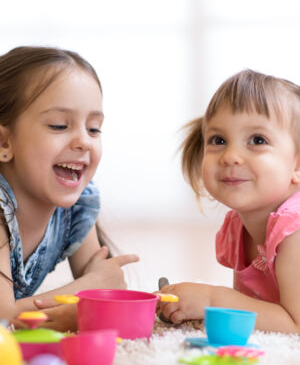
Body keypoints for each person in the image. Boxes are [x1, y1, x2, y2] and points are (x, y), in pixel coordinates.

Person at [0, 46, 138, 332]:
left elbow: (104, 291)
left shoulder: (76, 207)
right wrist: (89, 288)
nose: (84, 141)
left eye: (94, 129)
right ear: (4, 143)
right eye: (60, 125)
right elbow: (5, 318)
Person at [158, 69, 300, 333]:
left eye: (257, 140)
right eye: (219, 140)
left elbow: (296, 324)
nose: (231, 156)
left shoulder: (295, 229)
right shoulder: (238, 223)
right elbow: (251, 308)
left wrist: (212, 300)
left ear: (297, 164)